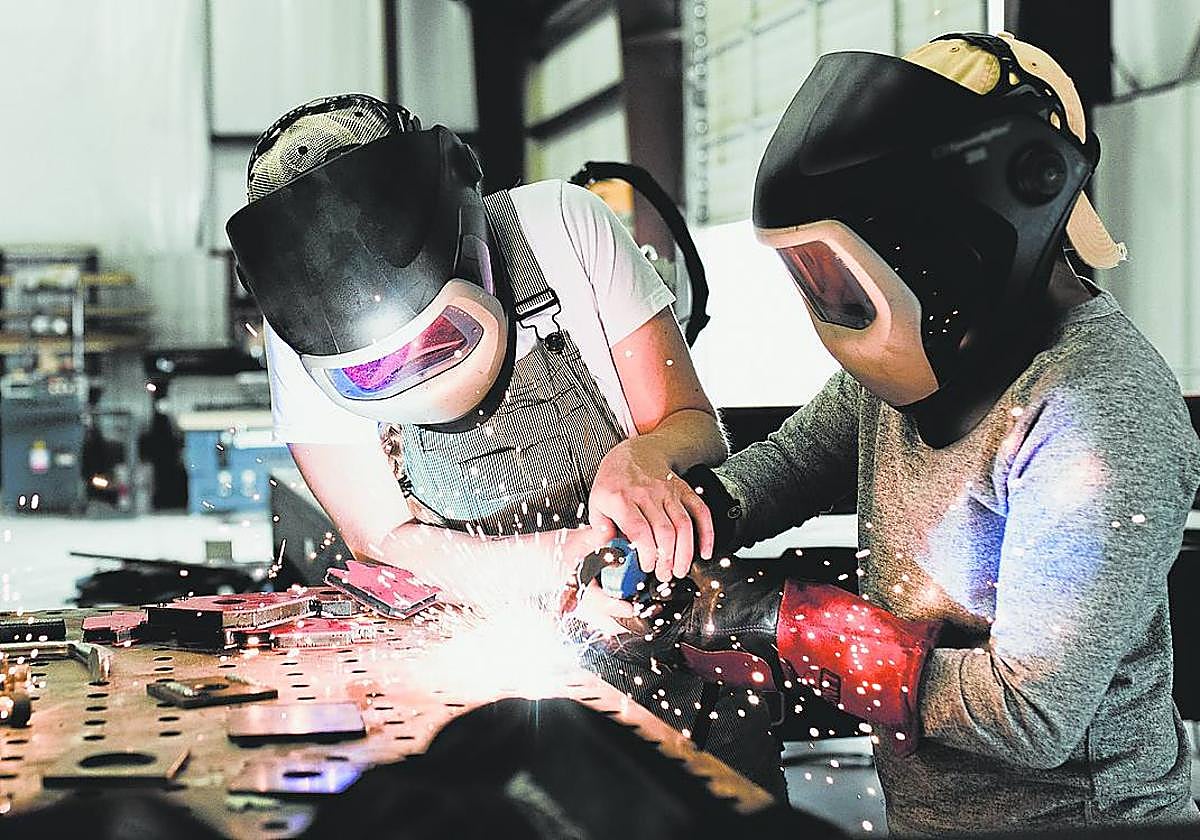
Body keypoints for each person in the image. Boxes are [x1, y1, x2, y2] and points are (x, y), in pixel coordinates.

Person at [584, 32, 1200, 834]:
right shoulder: (924, 360)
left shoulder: (1094, 412)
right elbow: (797, 460)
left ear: (959, 240)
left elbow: (1032, 716)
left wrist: (783, 624)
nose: (831, 304)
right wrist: (689, 520)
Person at [224, 94, 784, 793]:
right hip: (481, 646)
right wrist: (563, 561)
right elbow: (383, 535)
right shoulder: (300, 330)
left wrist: (644, 456)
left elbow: (696, 425)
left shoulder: (560, 228)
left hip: (666, 638)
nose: (414, 372)